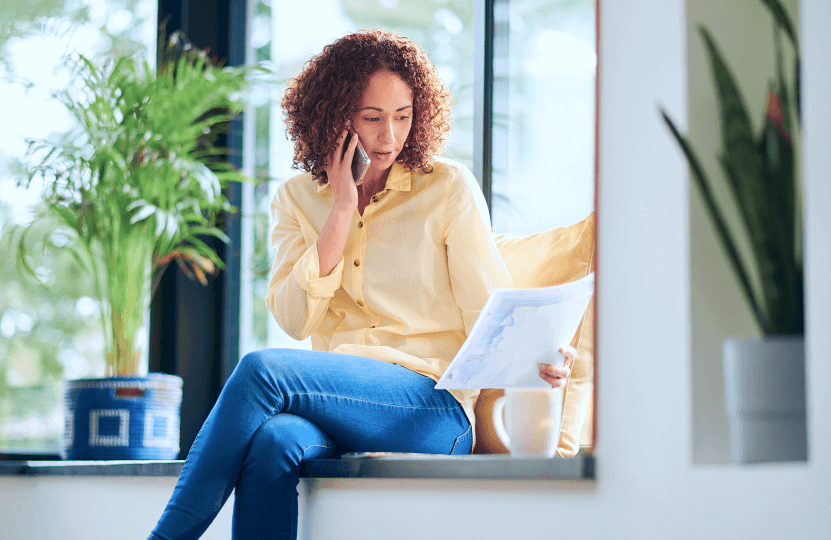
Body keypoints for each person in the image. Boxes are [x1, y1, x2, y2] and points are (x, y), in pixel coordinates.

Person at [148, 29, 575, 540]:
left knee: (263, 370)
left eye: (403, 116)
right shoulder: (296, 199)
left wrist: (540, 354)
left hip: (433, 409)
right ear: (334, 117)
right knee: (272, 443)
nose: (389, 136)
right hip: (338, 403)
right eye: (372, 118)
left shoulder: (448, 187)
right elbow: (293, 317)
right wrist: (342, 209)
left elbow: (490, 311)